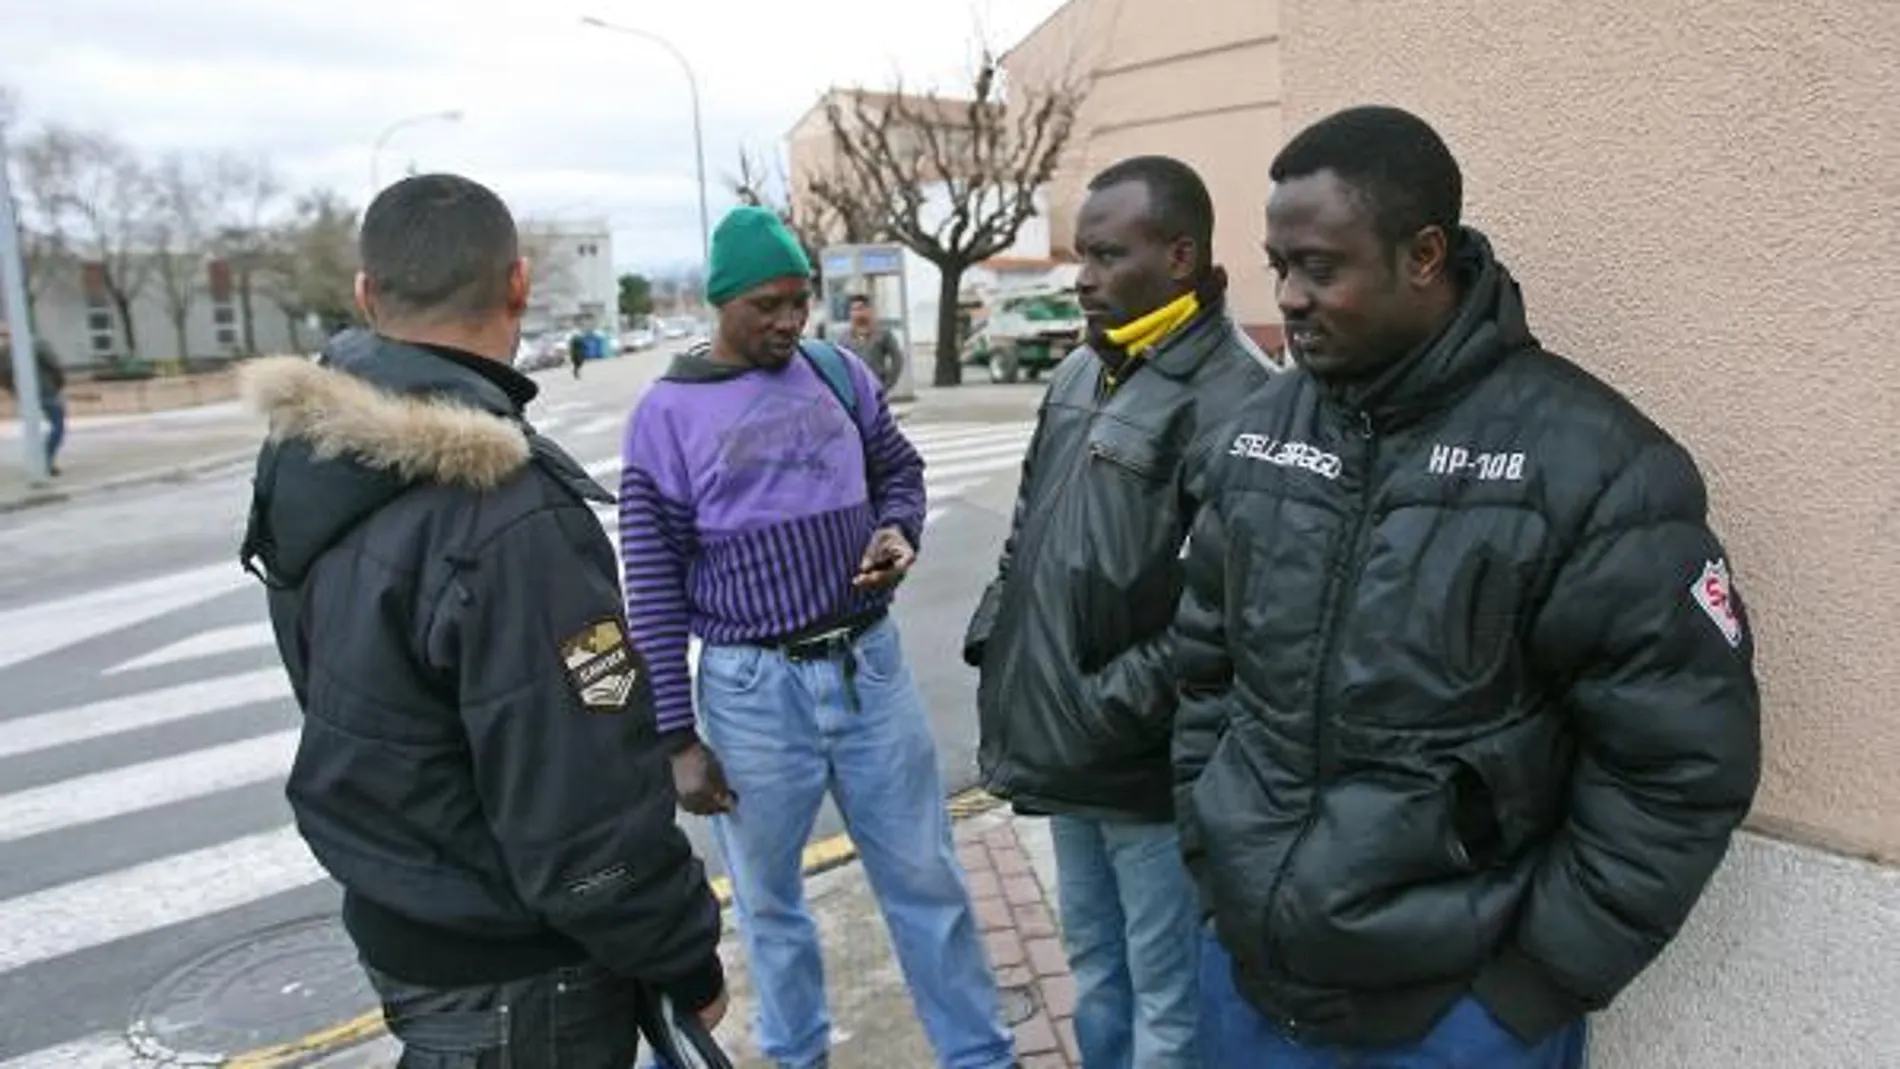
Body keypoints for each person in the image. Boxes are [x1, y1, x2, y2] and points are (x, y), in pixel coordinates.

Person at [1174, 105, 1762, 1067]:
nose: (1287, 296)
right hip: (1247, 983)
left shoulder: (1597, 468)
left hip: (1458, 1017)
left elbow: (1682, 761)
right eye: (1278, 264)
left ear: (1424, 254)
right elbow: (1204, 674)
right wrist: (1216, 861)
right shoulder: (1254, 438)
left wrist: (1528, 987)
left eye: (1320, 267)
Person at [237, 173, 726, 1066]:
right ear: (518, 285)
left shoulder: (310, 464)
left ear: (363, 294)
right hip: (521, 973)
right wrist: (685, 949)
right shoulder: (509, 514)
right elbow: (585, 804)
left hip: (408, 930)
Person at [618, 205, 1017, 1069]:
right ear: (723, 302)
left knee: (927, 881)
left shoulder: (836, 371)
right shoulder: (666, 415)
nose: (791, 321)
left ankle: (980, 1057)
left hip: (870, 667)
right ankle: (799, 1058)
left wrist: (899, 531)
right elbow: (650, 584)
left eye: (801, 300)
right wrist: (678, 738)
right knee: (770, 905)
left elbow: (898, 470)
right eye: (768, 304)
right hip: (752, 690)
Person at [962, 155, 1272, 1069]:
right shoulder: (1078, 375)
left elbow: (1226, 616)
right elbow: (1026, 531)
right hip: (1067, 746)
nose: (1083, 279)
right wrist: (1000, 634)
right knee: (1094, 967)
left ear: (1179, 256)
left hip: (1142, 767)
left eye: (1105, 256)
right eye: (1079, 256)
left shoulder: (1239, 398)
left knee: (1167, 995)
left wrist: (1102, 706)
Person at [0, 320, 67, 476]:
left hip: (24, 394)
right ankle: (45, 460)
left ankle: (38, 461)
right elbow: (55, 365)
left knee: (32, 427)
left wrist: (13, 390)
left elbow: (2, 376)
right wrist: (58, 384)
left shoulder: (5, 352)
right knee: (57, 426)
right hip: (47, 391)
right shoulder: (38, 344)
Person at [839, 293, 905, 392]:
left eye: (861, 309)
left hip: (875, 388)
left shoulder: (882, 333)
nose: (857, 313)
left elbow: (897, 359)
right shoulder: (845, 337)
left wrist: (887, 384)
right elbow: (840, 363)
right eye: (853, 310)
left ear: (869, 310)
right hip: (854, 390)